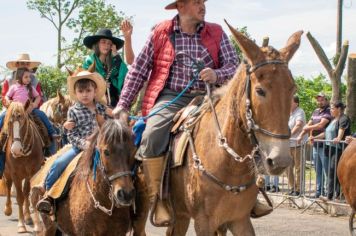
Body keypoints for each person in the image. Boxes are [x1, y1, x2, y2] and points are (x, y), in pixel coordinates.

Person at [113, 0, 270, 225]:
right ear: (181, 6)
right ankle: (159, 200)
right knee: (152, 135)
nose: (202, 6)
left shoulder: (216, 32)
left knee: (245, 128)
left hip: (211, 96)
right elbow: (138, 70)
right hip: (171, 97)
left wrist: (216, 75)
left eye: (202, 2)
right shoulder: (160, 32)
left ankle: (250, 196)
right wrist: (123, 105)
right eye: (196, 2)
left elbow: (234, 67)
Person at [36, 69, 110, 214]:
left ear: (95, 92)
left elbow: (112, 114)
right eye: (81, 91)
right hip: (80, 147)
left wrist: (124, 115)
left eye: (88, 90)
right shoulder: (73, 111)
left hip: (100, 145)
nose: (85, 94)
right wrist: (86, 144)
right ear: (76, 94)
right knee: (59, 164)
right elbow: (72, 136)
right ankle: (48, 195)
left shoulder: (100, 107)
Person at [0, 67, 58, 178]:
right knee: (2, 118)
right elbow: (7, 96)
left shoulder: (30, 88)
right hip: (15, 111)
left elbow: (37, 97)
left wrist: (34, 105)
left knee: (42, 116)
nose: (28, 79)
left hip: (28, 110)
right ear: (19, 77)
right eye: (26, 77)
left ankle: (52, 134)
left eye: (29, 77)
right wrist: (9, 103)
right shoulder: (13, 87)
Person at [82, 20, 134, 107]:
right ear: (97, 44)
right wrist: (101, 84)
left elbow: (124, 75)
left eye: (109, 43)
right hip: (94, 99)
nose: (106, 45)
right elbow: (84, 81)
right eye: (103, 42)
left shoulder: (114, 60)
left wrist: (116, 55)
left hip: (113, 100)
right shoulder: (89, 61)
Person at [298, 93, 332, 198]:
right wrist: (301, 135)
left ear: (326, 100)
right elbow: (309, 124)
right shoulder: (315, 111)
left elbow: (320, 125)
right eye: (318, 100)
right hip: (315, 145)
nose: (319, 102)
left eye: (322, 100)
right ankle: (319, 191)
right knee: (318, 170)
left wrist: (307, 128)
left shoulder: (329, 110)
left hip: (325, 145)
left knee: (327, 170)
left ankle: (327, 192)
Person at [315, 102, 351, 201]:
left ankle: (330, 196)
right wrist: (314, 138)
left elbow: (341, 129)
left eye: (332, 108)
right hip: (331, 150)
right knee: (333, 172)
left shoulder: (344, 118)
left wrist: (338, 138)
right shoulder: (333, 120)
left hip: (339, 150)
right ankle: (337, 194)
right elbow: (326, 133)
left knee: (332, 172)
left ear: (339, 109)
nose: (330, 110)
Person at [288, 95, 307, 196]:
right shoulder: (287, 112)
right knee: (287, 167)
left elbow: (298, 125)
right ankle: (292, 188)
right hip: (288, 145)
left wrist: (289, 135)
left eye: (290, 101)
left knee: (299, 168)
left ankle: (299, 189)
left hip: (298, 144)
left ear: (296, 103)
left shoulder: (300, 111)